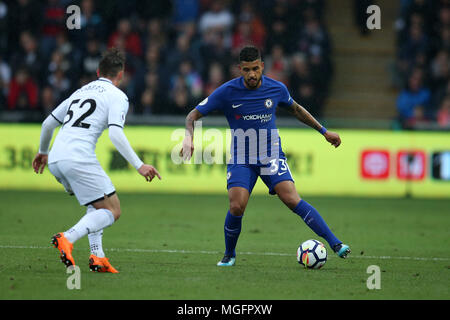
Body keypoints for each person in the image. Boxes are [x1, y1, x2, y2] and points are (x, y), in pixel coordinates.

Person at [181, 46, 350, 267]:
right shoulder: (226, 92)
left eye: (255, 69)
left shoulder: (276, 89)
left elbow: (297, 110)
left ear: (262, 66)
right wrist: (188, 137)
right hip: (242, 157)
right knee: (236, 206)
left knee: (291, 199)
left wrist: (324, 131)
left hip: (270, 155)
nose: (252, 74)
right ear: (240, 69)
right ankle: (229, 254)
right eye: (247, 70)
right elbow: (192, 115)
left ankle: (336, 244)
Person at [32, 48, 161, 273]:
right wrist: (140, 165)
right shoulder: (118, 96)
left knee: (97, 204)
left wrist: (43, 151)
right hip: (78, 158)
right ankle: (67, 238)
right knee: (113, 210)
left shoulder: (79, 92)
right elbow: (115, 134)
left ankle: (97, 256)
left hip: (55, 158)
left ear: (98, 71)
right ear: (121, 75)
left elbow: (47, 124)